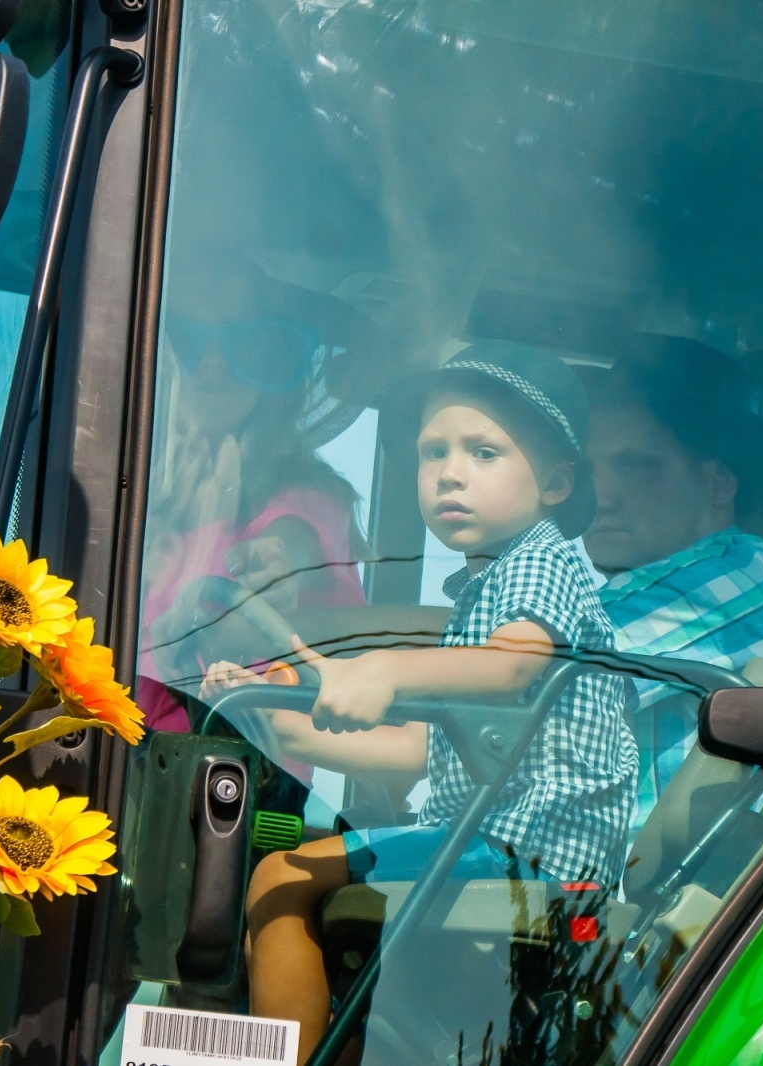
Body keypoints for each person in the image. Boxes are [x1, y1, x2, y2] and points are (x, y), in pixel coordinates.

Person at [202, 343, 637, 1061]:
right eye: (432, 453)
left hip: (530, 849)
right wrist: (283, 725)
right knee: (302, 873)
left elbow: (508, 668)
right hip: (494, 838)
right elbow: (417, 749)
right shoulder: (487, 588)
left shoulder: (542, 562)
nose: (450, 473)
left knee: (281, 877)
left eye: (484, 452)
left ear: (557, 481)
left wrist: (385, 669)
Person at [582, 336, 763, 831]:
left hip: (659, 899)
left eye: (637, 466)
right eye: (590, 470)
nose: (602, 497)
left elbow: (520, 672)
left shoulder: (732, 577)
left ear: (720, 483)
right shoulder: (738, 576)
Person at [137, 264, 377, 733]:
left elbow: (292, 541)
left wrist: (279, 563)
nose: (211, 362)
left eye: (243, 344)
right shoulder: (141, 503)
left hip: (245, 776)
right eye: (187, 342)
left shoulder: (307, 493)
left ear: (277, 368)